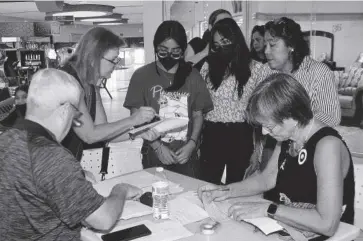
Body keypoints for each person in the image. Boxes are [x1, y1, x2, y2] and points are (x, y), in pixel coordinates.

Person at [198, 73, 355, 238]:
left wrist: (269, 209)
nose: (265, 132)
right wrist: (225, 191)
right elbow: (267, 179)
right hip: (292, 229)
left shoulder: (327, 146)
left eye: (269, 126)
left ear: (292, 117)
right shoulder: (289, 137)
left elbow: (327, 224)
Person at [0, 68, 143, 240]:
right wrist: (121, 189)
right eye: (75, 115)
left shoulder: (7, 140)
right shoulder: (50, 156)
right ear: (65, 109)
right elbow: (103, 219)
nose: (75, 122)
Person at [242, 17, 341, 175]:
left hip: (303, 150)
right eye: (265, 44)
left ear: (291, 46)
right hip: (270, 148)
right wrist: (257, 153)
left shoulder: (318, 72)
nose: (266, 51)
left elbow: (331, 117)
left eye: (273, 45)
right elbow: (258, 117)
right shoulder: (265, 71)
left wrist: (291, 126)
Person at [124, 20, 213, 178]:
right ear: (155, 47)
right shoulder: (141, 76)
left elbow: (198, 114)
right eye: (163, 51)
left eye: (175, 51)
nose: (169, 56)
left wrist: (192, 144)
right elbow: (135, 118)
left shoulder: (192, 76)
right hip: (153, 152)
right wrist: (157, 147)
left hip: (187, 154)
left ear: (183, 50)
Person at [60, 27, 156, 161]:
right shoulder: (67, 83)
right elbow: (89, 135)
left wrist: (139, 133)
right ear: (93, 58)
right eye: (113, 60)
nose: (116, 65)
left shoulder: (90, 82)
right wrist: (133, 119)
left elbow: (103, 132)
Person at [199, 18, 262, 184]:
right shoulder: (208, 66)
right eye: (216, 43)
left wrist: (257, 150)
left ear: (236, 39)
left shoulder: (256, 68)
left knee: (238, 185)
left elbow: (261, 112)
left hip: (241, 133)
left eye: (225, 41)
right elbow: (199, 104)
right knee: (207, 184)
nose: (221, 46)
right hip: (212, 132)